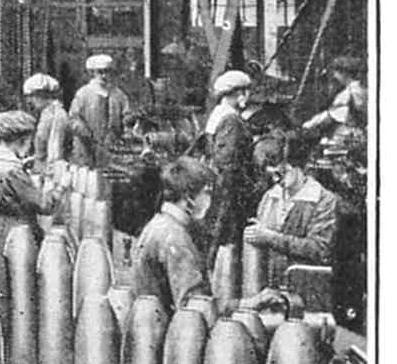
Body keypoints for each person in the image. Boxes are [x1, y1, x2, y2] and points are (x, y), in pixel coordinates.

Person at [245, 132, 340, 294]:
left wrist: (271, 237)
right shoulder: (270, 197)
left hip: (306, 290)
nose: (275, 180)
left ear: (297, 165)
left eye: (280, 173)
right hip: (270, 290)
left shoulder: (323, 200)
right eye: (270, 174)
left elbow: (320, 249)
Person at [201, 69, 260, 304]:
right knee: (227, 243)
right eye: (245, 92)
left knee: (218, 243)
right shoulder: (232, 121)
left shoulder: (218, 115)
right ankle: (227, 298)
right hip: (230, 192)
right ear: (237, 94)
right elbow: (228, 163)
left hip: (222, 189)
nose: (247, 96)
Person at [131, 156, 217, 315]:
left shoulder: (159, 224)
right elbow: (193, 307)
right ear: (188, 196)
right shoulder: (175, 237)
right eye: (206, 192)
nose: (209, 200)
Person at [0, 110, 56, 249]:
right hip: (20, 237)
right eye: (29, 140)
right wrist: (60, 186)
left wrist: (23, 167)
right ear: (22, 140)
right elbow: (44, 206)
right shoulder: (13, 170)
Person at [69, 53, 130, 166]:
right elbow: (74, 119)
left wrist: (126, 125)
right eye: (100, 72)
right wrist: (87, 134)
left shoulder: (118, 94)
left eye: (107, 72)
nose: (104, 76)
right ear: (92, 73)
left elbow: (126, 116)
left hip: (112, 149)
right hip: (86, 149)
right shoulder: (83, 94)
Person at [24, 72, 92, 167]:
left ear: (43, 94)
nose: (29, 101)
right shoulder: (46, 114)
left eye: (32, 96)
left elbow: (55, 154)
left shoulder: (57, 115)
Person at [301, 54, 367, 152]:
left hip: (345, 137)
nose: (335, 76)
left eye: (337, 72)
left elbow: (330, 116)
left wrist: (309, 124)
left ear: (345, 73)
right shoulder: (362, 89)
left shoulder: (348, 93)